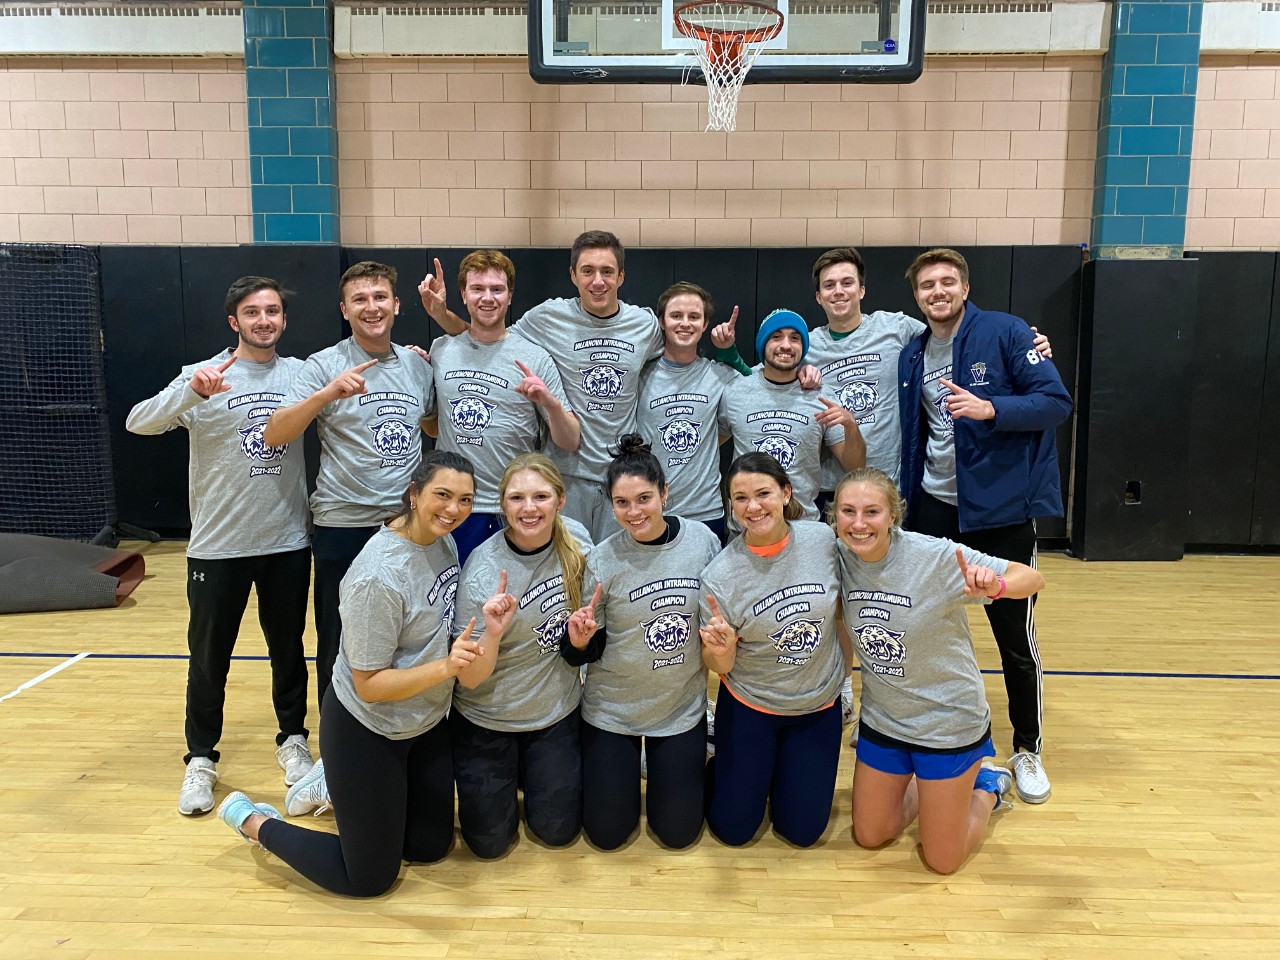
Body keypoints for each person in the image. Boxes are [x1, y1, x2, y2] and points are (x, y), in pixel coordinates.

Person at [216, 452, 479, 897]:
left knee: (428, 847)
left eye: (465, 499)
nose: (454, 509)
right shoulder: (377, 576)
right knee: (369, 878)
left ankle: (341, 791)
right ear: (414, 495)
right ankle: (254, 820)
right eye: (443, 495)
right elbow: (369, 685)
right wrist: (447, 667)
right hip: (368, 726)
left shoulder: (443, 540)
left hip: (425, 722)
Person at [126, 276, 314, 816]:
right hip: (217, 546)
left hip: (285, 540)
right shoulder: (202, 375)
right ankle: (201, 760)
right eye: (252, 312)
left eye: (273, 311)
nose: (264, 320)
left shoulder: (299, 374)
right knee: (209, 659)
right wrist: (191, 392)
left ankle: (293, 741)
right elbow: (138, 423)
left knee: (288, 651)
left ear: (283, 319)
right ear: (234, 321)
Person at [898, 247, 1073, 805]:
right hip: (932, 512)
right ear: (917, 296)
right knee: (926, 631)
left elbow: (1054, 402)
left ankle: (1027, 748)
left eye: (947, 282)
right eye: (927, 285)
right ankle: (934, 735)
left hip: (1000, 517)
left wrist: (992, 408)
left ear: (965, 288)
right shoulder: (913, 352)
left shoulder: (1007, 332)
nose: (938, 292)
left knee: (1013, 640)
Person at [833, 467, 1043, 873]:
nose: (859, 524)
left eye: (872, 512)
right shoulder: (839, 555)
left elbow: (1031, 577)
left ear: (893, 515)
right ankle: (929, 788)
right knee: (871, 835)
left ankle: (987, 786)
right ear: (835, 516)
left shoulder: (934, 557)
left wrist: (995, 586)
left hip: (948, 722)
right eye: (848, 511)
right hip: (885, 720)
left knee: (942, 860)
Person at [265, 261, 435, 715]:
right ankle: (335, 742)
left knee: (408, 633)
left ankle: (401, 726)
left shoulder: (417, 367)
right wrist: (326, 395)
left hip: (405, 527)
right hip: (344, 525)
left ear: (397, 305)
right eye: (360, 299)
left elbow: (433, 421)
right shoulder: (323, 365)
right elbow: (275, 432)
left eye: (380, 297)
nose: (371, 307)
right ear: (345, 309)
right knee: (340, 640)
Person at [421, 231, 664, 542]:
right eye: (588, 271)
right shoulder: (546, 318)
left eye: (607, 271)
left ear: (621, 276)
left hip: (621, 473)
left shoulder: (644, 326)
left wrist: (729, 358)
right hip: (564, 473)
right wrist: (442, 316)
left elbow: (677, 355)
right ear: (573, 275)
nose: (598, 281)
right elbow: (487, 334)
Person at [561, 435, 722, 850]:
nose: (634, 512)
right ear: (611, 504)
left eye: (644, 498)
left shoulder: (702, 540)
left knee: (678, 834)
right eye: (622, 503)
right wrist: (579, 643)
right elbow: (587, 648)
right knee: (608, 835)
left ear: (664, 493)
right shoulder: (602, 558)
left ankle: (702, 766)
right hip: (613, 708)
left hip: (679, 708)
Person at [448, 453, 593, 858]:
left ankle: (534, 771)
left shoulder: (578, 545)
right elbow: (470, 679)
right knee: (489, 845)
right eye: (516, 498)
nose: (529, 508)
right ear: (502, 504)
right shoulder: (483, 569)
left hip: (553, 715)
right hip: (487, 716)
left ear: (560, 501)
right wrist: (493, 634)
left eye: (541, 496)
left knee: (557, 833)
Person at [698, 453, 845, 848]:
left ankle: (780, 771)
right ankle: (724, 766)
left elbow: (844, 610)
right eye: (740, 498)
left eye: (762, 493)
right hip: (752, 708)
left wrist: (843, 676)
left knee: (801, 832)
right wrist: (723, 649)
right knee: (733, 831)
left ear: (785, 493)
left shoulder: (821, 540)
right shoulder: (720, 576)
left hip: (816, 709)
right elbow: (717, 665)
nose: (753, 506)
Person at [426, 249, 581, 564]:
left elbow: (571, 440)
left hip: (511, 508)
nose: (488, 298)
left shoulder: (534, 357)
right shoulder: (441, 349)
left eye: (497, 289)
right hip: (454, 506)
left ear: (510, 296)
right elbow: (434, 424)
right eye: (478, 289)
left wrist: (550, 404)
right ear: (463, 295)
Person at [717, 310, 866, 523]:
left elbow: (855, 465)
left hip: (803, 526)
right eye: (776, 337)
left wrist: (851, 426)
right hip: (747, 526)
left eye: (794, 338)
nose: (786, 345)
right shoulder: (735, 392)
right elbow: (709, 446)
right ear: (763, 344)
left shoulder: (822, 396)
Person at [637, 283, 741, 541]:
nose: (685, 323)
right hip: (651, 509)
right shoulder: (639, 375)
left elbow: (762, 387)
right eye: (676, 316)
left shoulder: (719, 375)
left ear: (705, 324)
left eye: (694, 317)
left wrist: (731, 352)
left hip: (706, 511)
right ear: (661, 321)